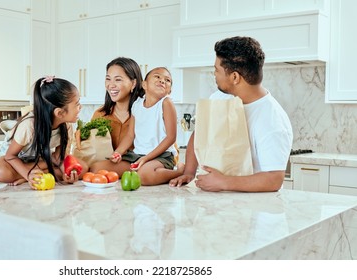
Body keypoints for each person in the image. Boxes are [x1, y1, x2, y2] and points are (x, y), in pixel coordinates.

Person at [169, 36, 293, 192]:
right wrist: (189, 172)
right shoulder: (220, 98)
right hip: (218, 207)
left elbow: (273, 179)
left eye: (216, 70)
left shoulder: (272, 119)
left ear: (235, 77)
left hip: (255, 209)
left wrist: (223, 182)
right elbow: (199, 133)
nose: (214, 74)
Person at [0, 76, 88, 188]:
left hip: (41, 159)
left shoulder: (67, 126)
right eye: (77, 104)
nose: (80, 107)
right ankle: (35, 174)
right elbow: (10, 156)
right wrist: (28, 175)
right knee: (0, 172)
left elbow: (59, 157)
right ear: (59, 113)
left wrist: (66, 173)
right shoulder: (29, 126)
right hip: (15, 160)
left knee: (83, 168)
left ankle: (32, 175)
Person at [97, 67, 184, 185]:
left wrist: (146, 158)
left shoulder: (166, 103)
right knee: (97, 168)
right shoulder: (137, 105)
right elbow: (130, 135)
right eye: (157, 77)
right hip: (137, 155)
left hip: (162, 156)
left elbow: (171, 138)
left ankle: (180, 171)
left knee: (144, 176)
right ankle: (140, 169)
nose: (162, 81)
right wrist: (117, 153)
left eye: (167, 80)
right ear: (144, 85)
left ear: (169, 90)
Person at [88, 57, 143, 175]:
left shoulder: (146, 113)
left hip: (142, 166)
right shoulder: (100, 115)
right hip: (112, 176)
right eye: (108, 79)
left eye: (118, 80)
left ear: (133, 83)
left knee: (96, 169)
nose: (111, 85)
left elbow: (171, 151)